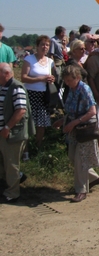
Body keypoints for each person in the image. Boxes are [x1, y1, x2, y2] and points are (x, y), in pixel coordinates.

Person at [52, 65, 99, 203]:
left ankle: (81, 190)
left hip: (85, 128)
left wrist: (73, 123)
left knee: (80, 159)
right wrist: (62, 121)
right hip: (74, 127)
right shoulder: (72, 89)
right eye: (65, 80)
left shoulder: (84, 89)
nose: (67, 83)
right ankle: (93, 177)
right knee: (73, 157)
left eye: (69, 80)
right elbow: (71, 110)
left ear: (77, 78)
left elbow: (92, 111)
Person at [0, 62, 33, 203]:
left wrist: (7, 128)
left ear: (6, 73)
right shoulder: (3, 87)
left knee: (11, 163)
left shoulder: (16, 87)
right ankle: (15, 179)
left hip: (12, 133)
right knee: (3, 163)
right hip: (3, 132)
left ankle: (13, 193)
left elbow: (21, 111)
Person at [20, 35, 56, 149]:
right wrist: (40, 79)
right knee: (27, 121)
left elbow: (53, 76)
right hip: (30, 94)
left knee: (42, 123)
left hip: (43, 95)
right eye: (42, 44)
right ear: (37, 46)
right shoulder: (29, 59)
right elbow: (23, 78)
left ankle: (37, 146)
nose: (45, 47)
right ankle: (25, 147)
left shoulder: (50, 61)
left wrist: (51, 79)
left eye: (47, 45)